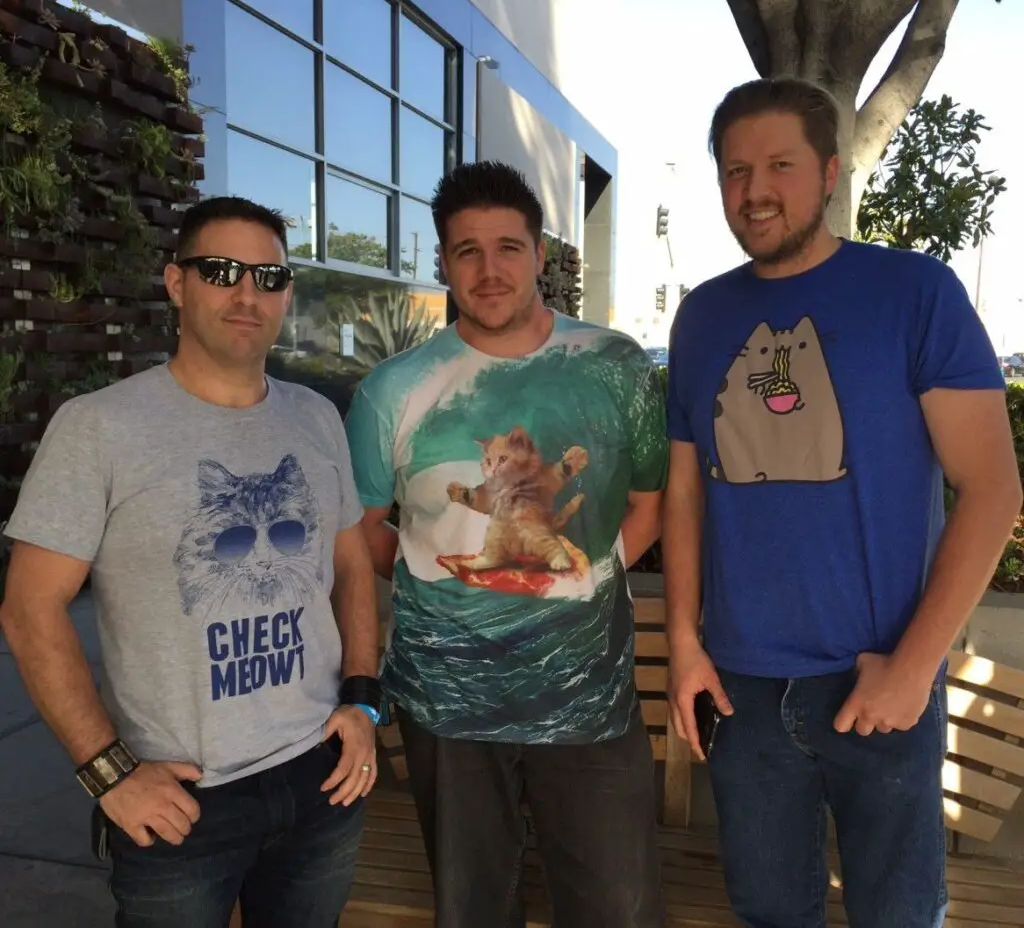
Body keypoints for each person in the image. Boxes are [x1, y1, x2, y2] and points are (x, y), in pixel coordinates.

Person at [663, 76, 1022, 928]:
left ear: (829, 173)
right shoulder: (702, 316)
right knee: (768, 912)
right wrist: (683, 641)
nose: (755, 191)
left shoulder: (915, 293)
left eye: (780, 164)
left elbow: (993, 487)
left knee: (898, 916)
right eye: (735, 170)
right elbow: (685, 490)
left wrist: (913, 668)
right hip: (740, 689)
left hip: (878, 683)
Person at [0, 196, 383, 928]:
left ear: (287, 294)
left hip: (320, 776)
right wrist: (108, 772)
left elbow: (354, 563)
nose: (248, 293)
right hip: (181, 801)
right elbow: (29, 609)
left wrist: (364, 702)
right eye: (223, 270)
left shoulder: (315, 416)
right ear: (177, 283)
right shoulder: (100, 427)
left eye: (268, 276)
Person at [344, 160, 668, 928]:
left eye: (507, 247)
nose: (489, 270)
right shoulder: (391, 389)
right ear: (444, 262)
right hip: (447, 708)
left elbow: (650, 505)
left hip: (589, 700)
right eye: (467, 251)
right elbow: (360, 533)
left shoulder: (615, 364)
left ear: (540, 255)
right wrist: (440, 575)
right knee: (473, 911)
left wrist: (571, 578)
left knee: (618, 909)